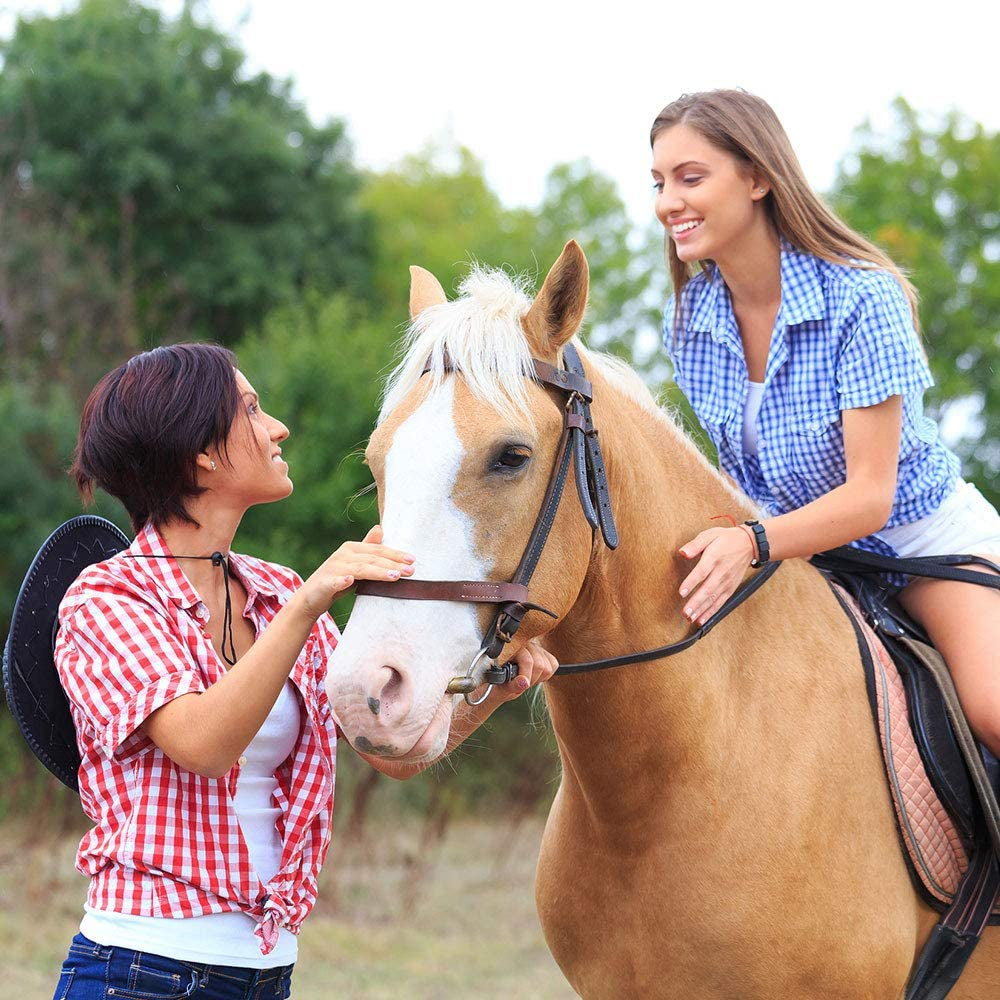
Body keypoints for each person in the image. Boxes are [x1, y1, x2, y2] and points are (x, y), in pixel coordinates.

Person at [52, 342, 556, 999]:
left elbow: (390, 752)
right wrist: (311, 601)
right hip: (140, 970)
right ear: (201, 452)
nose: (277, 427)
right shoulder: (106, 599)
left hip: (265, 975)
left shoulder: (273, 590)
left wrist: (495, 688)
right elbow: (204, 745)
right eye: (253, 411)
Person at [648, 89, 1000, 756]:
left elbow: (873, 497)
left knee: (994, 713)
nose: (669, 200)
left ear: (757, 178)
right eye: (660, 182)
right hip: (800, 558)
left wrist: (753, 543)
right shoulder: (693, 317)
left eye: (691, 178)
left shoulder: (862, 297)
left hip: (921, 548)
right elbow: (737, 479)